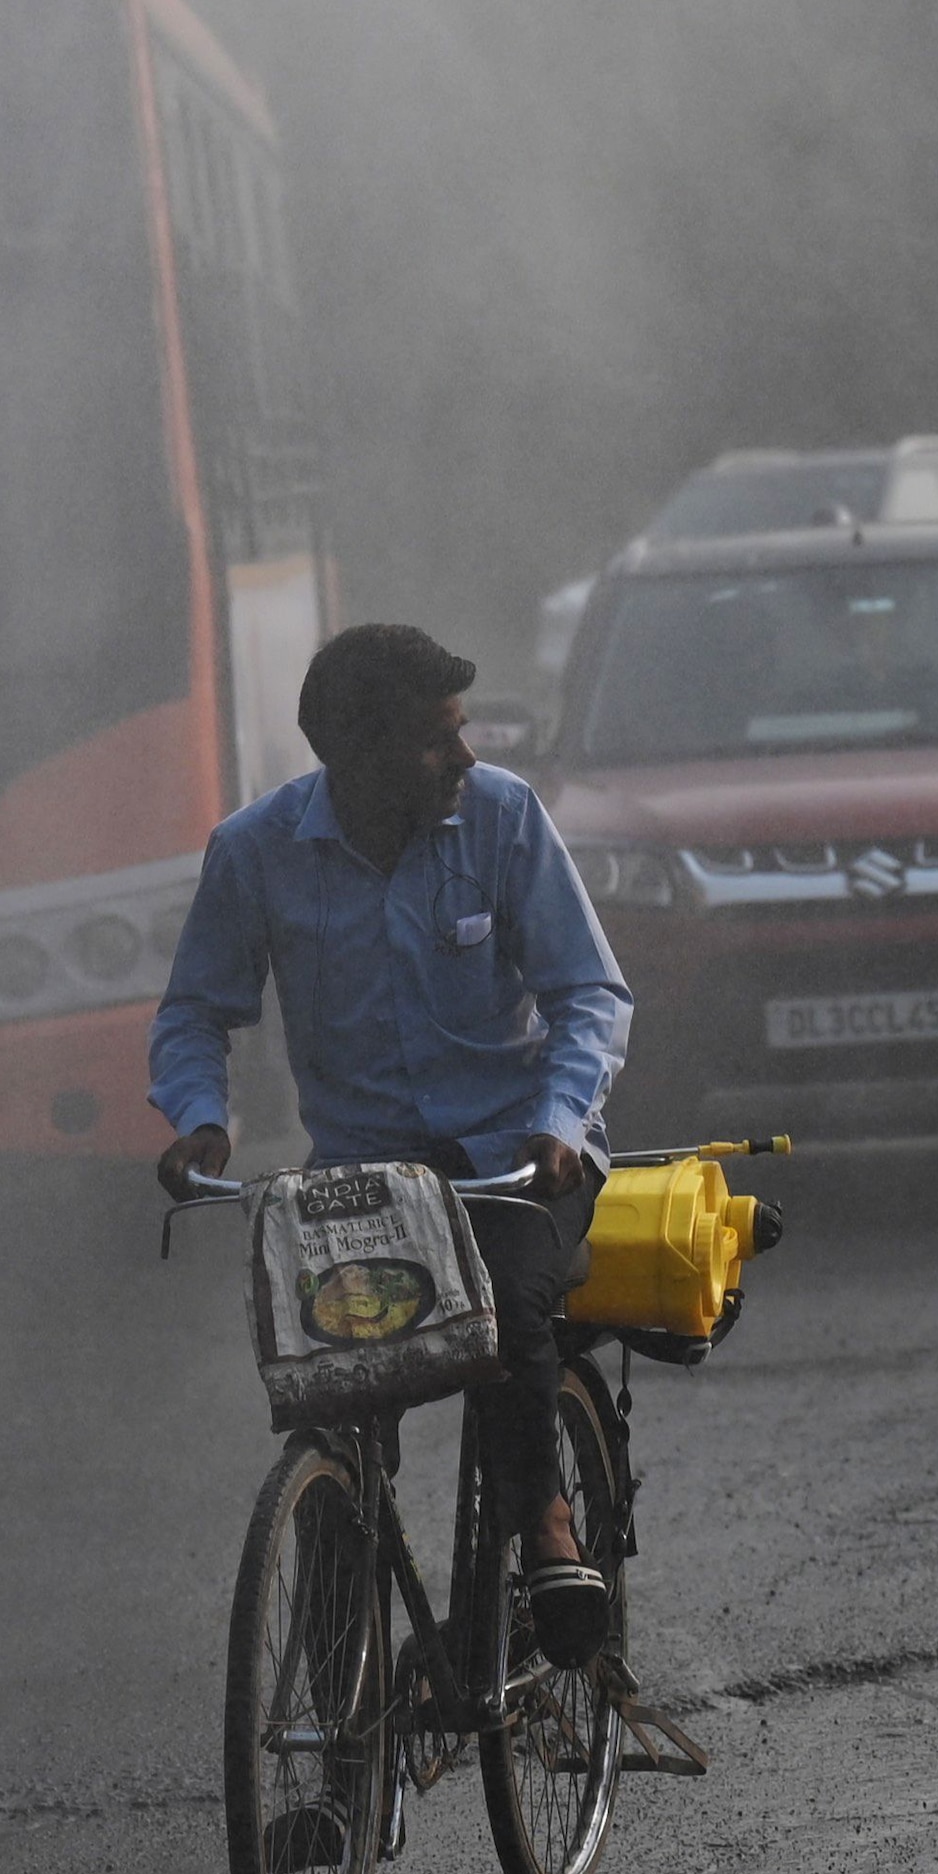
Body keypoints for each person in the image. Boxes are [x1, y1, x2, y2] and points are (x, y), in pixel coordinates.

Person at [153, 624, 637, 1663]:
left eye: (460, 735)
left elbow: (588, 995)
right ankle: (336, 1747)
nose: (463, 758)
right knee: (331, 1402)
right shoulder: (255, 852)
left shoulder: (503, 817)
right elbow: (196, 1010)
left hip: (517, 1159)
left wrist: (559, 1124)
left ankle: (548, 1533)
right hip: (362, 1181)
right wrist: (199, 1114)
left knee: (502, 1309)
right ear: (352, 758)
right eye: (435, 741)